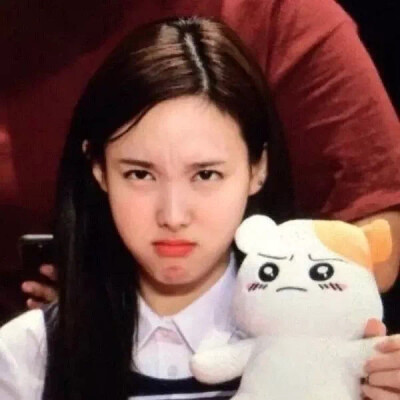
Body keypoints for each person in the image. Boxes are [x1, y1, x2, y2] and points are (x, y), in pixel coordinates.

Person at [1, 17, 400, 400]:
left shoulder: (339, 355)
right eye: (140, 174)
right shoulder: (25, 358)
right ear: (99, 170)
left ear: (258, 168)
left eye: (206, 175)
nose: (173, 216)